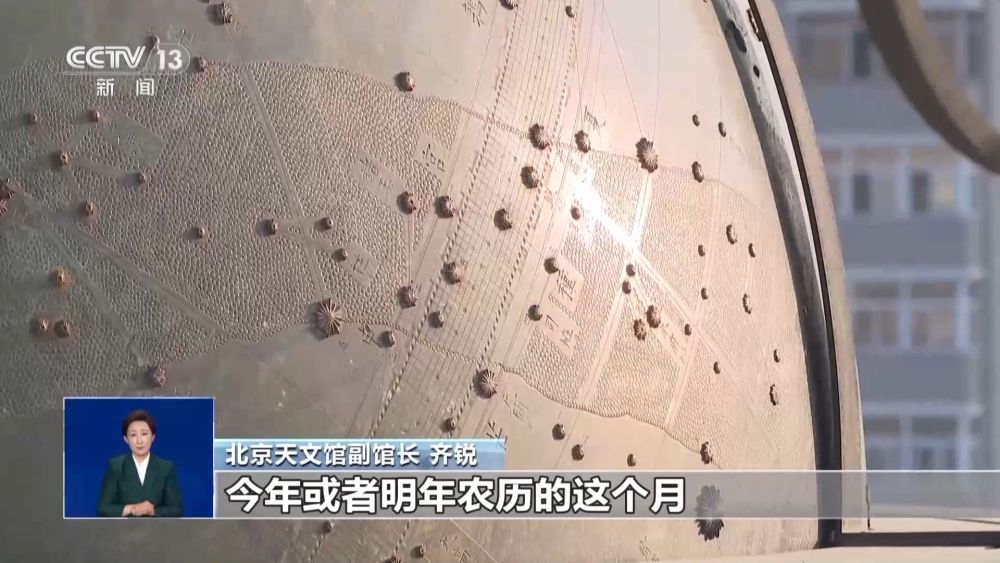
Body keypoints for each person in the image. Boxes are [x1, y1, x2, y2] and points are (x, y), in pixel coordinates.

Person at [96, 410, 183, 517]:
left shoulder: (166, 467)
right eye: (133, 435)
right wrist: (132, 509)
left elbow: (176, 509)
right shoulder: (115, 466)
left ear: (153, 437)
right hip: (125, 527)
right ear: (126, 439)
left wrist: (152, 511)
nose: (139, 441)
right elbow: (103, 508)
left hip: (156, 527)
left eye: (144, 434)